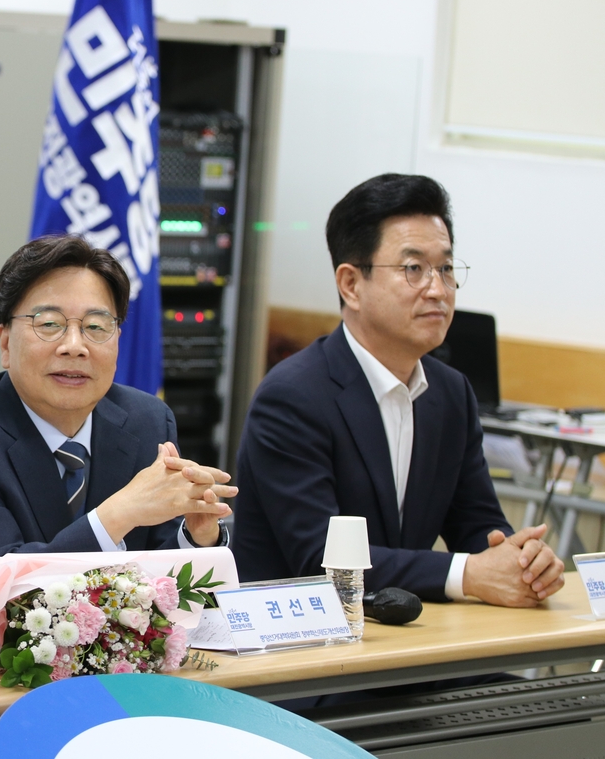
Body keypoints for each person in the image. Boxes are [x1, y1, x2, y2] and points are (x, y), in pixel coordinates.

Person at [232, 173, 564, 605]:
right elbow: (321, 558)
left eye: (446, 268)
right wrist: (468, 573)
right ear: (351, 284)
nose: (438, 290)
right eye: (414, 269)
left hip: (406, 631)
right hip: (299, 634)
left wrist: (523, 562)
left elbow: (479, 528)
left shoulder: (450, 393)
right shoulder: (293, 396)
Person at [0, 235, 237, 583]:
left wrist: (198, 537)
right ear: (5, 342)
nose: (75, 346)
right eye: (49, 324)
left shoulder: (147, 421)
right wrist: (118, 514)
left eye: (95, 327)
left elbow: (159, 573)